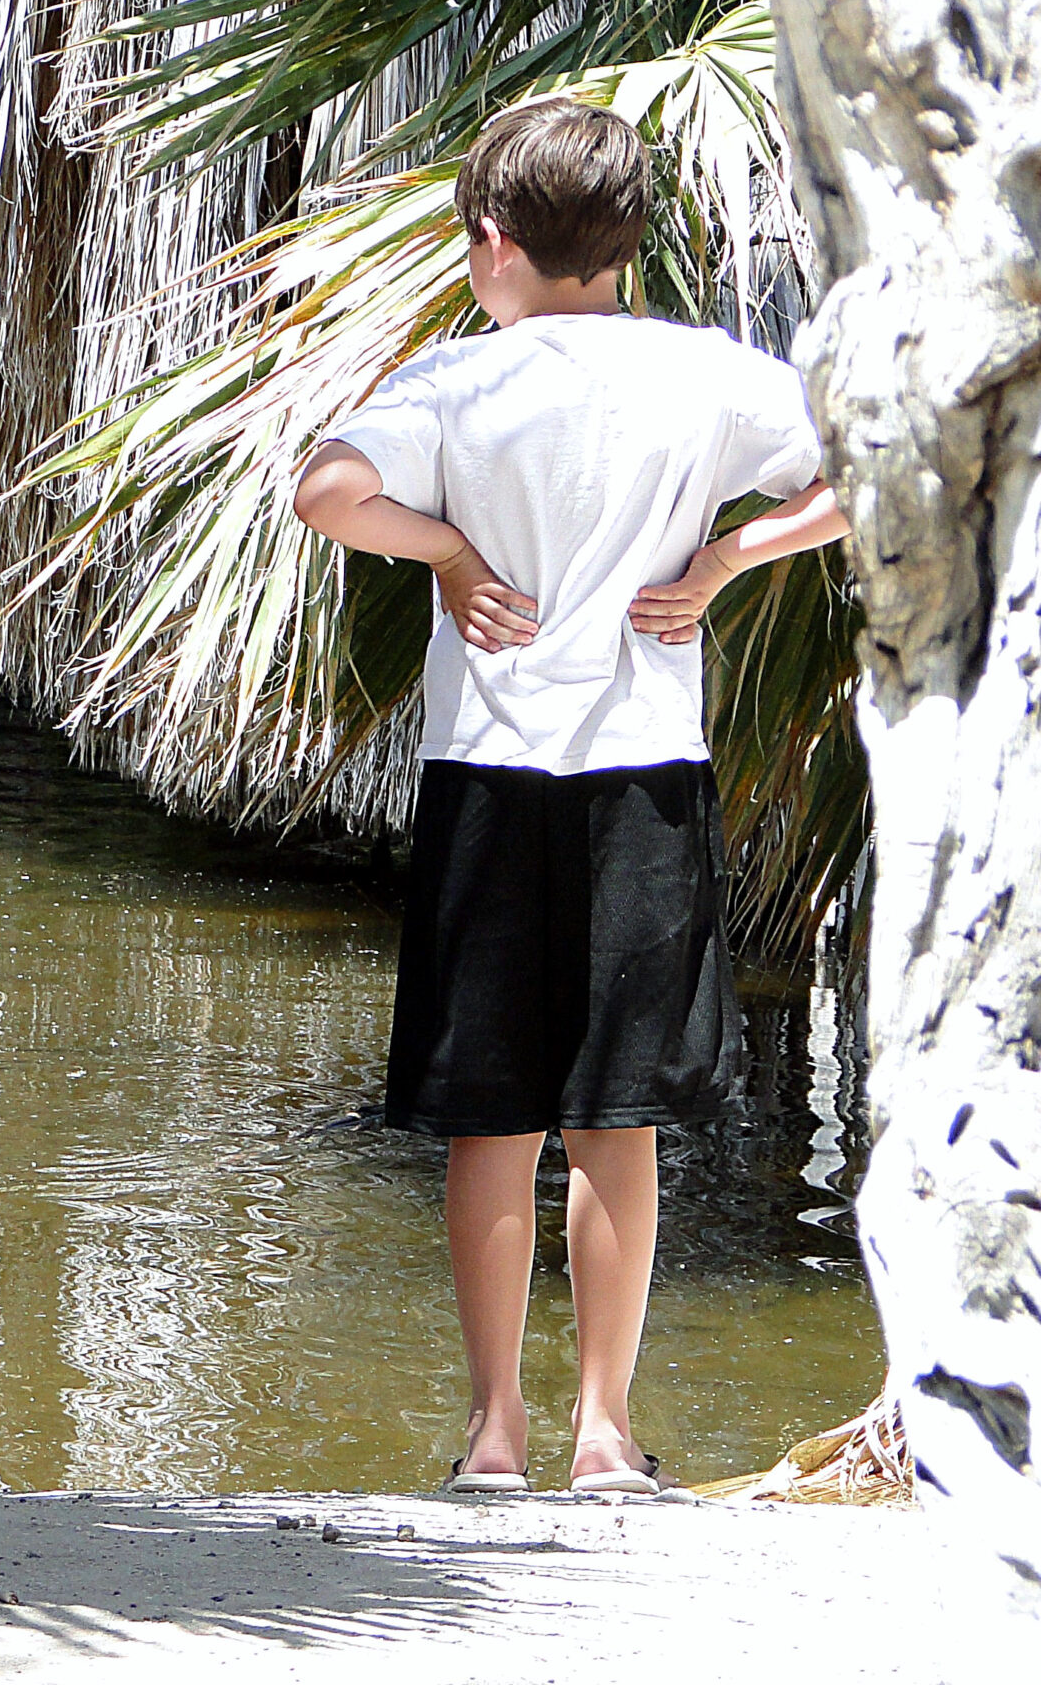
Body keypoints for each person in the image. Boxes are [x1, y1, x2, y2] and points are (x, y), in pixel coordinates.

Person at [292, 99, 849, 1496]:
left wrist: (446, 553)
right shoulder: (705, 374)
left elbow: (325, 492)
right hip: (643, 776)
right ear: (624, 247)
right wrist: (730, 560)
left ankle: (495, 1435)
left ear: (493, 246)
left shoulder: (457, 387)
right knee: (618, 1116)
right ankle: (607, 1433)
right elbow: (871, 466)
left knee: (495, 1115)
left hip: (489, 775)